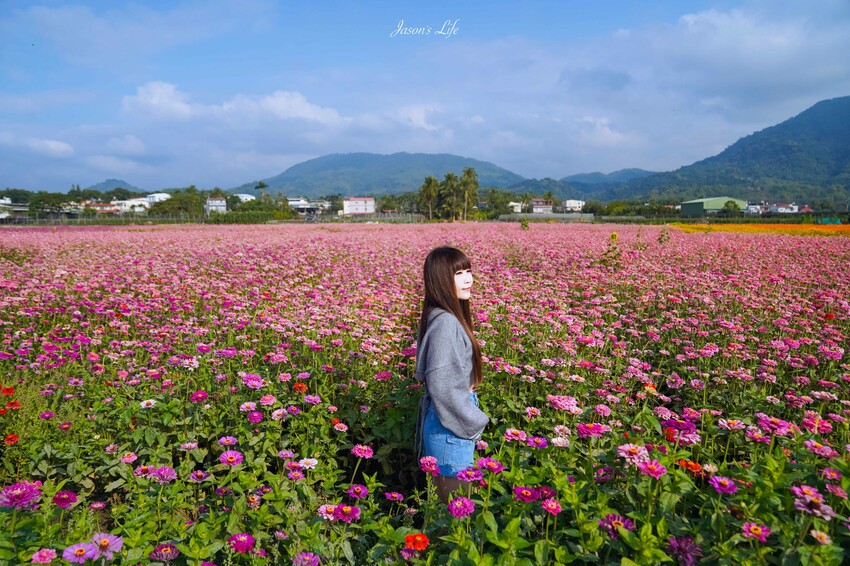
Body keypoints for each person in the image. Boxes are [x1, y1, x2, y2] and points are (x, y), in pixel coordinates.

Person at [414, 246, 489, 502]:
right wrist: (475, 421)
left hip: (447, 424)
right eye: (459, 273)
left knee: (449, 510)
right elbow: (443, 387)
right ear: (440, 279)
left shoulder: (439, 316)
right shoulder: (446, 322)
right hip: (451, 426)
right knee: (455, 515)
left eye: (469, 271)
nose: (469, 279)